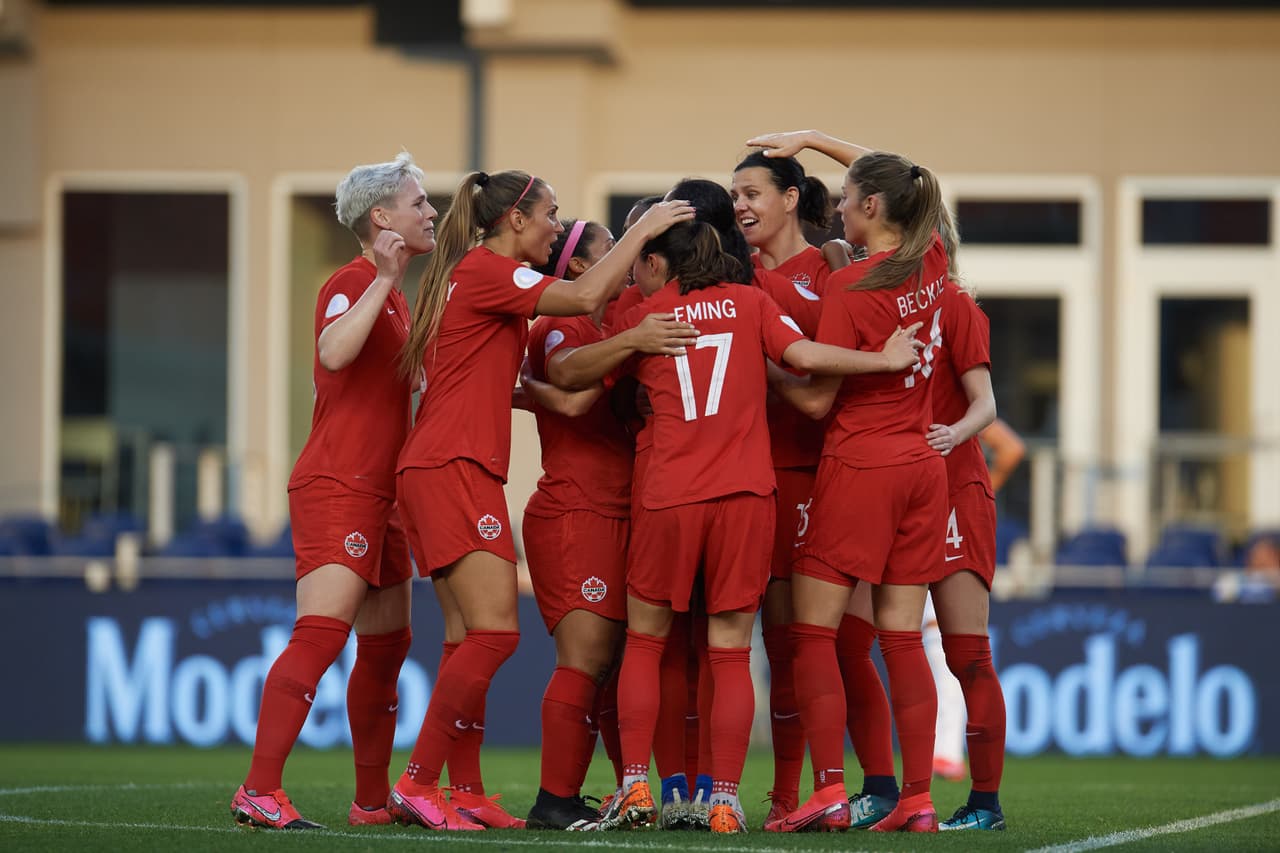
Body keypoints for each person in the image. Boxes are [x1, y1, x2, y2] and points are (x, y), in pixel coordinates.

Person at [550, 217, 924, 834]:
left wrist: (628, 343)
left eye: (641, 260)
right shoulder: (751, 303)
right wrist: (882, 360)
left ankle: (637, 788)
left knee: (646, 643)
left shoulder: (648, 312)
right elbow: (803, 358)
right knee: (730, 652)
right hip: (746, 498)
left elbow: (570, 376)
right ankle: (725, 800)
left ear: (658, 264)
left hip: (669, 494)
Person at [386, 169, 696, 832]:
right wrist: (643, 226)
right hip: (454, 466)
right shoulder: (495, 272)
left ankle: (462, 788)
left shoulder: (481, 280)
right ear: (515, 219)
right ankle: (416, 780)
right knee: (497, 633)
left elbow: (544, 388)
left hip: (443, 462)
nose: (556, 225)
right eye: (551, 213)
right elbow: (583, 294)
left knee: (469, 636)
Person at [749, 128, 958, 834]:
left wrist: (761, 359)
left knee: (812, 634)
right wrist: (816, 139)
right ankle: (920, 799)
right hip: (924, 470)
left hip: (861, 466)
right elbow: (905, 181)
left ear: (872, 205)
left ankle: (830, 789)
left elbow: (814, 399)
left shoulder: (847, 283)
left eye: (845, 200)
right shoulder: (931, 260)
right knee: (900, 637)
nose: (837, 210)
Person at [230, 152, 436, 830]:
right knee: (321, 636)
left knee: (388, 646)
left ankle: (371, 803)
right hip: (339, 483)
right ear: (382, 217)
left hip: (385, 494)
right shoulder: (351, 281)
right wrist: (381, 278)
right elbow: (334, 352)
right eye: (418, 202)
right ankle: (260, 788)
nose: (429, 212)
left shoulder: (397, 295)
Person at [518, 219, 636, 831]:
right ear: (575, 269)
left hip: (614, 508)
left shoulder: (608, 324)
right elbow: (571, 390)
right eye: (609, 249)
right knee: (585, 660)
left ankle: (627, 792)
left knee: (613, 665)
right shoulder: (562, 324)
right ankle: (553, 800)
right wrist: (634, 343)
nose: (622, 258)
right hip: (575, 511)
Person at [925, 417, 1023, 787]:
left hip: (946, 516)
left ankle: (946, 750)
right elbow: (1012, 449)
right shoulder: (960, 403)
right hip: (933, 511)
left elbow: (1011, 448)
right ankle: (941, 750)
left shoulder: (960, 405)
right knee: (933, 644)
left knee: (942, 643)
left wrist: (980, 488)